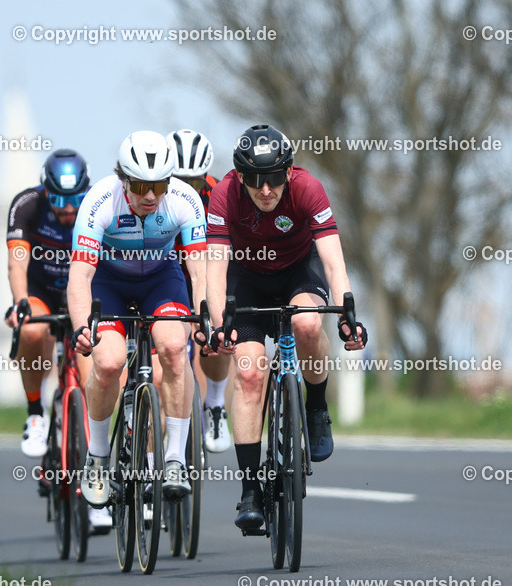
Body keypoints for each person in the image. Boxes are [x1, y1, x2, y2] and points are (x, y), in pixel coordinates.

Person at [204, 124, 367, 530]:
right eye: (255, 180)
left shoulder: (309, 189)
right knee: (247, 372)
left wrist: (347, 315)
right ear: (240, 176)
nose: (265, 189)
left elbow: (333, 261)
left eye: (274, 179)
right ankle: (249, 490)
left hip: (297, 271)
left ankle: (316, 407)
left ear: (289, 172)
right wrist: (219, 324)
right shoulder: (224, 194)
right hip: (247, 278)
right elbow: (216, 268)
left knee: (309, 324)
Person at [68, 131, 207, 509]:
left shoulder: (184, 200)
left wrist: (205, 317)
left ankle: (175, 458)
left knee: (176, 348)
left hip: (161, 280)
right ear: (124, 180)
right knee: (110, 362)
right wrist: (83, 327)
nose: (150, 196)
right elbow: (79, 276)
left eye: (159, 185)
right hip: (109, 283)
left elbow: (198, 269)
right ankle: (97, 455)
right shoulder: (100, 200)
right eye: (142, 186)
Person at [4, 149, 90, 457]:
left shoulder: (99, 203)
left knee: (93, 365)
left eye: (75, 200)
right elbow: (17, 263)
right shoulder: (27, 205)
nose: (68, 209)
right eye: (58, 200)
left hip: (84, 291)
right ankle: (35, 414)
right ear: (45, 191)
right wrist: (20, 302)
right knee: (30, 332)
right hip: (41, 290)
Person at [166, 129, 233, 454]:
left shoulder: (219, 193)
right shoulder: (153, 195)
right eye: (177, 179)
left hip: (205, 269)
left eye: (193, 181)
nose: (184, 188)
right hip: (167, 271)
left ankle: (216, 403)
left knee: (215, 332)